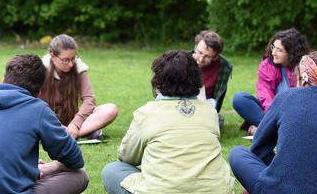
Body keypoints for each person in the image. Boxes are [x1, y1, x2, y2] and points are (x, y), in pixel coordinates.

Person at [101, 50, 235, 194]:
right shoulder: (210, 112)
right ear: (196, 80)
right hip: (216, 190)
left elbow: (127, 157)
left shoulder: (147, 113)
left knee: (112, 170)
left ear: (158, 82)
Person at [229, 50, 317, 194]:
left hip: (275, 190)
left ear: (302, 79)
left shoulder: (285, 97)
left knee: (237, 153)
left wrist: (279, 165)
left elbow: (259, 147)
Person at [0, 54, 88, 194]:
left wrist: (24, 164)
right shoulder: (38, 109)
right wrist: (51, 167)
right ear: (38, 93)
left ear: (3, 81)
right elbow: (74, 159)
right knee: (80, 176)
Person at [232, 28, 310, 135]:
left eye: (279, 50)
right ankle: (276, 130)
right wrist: (274, 118)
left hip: (295, 113)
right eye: (273, 47)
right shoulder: (267, 66)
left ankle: (264, 130)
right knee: (240, 99)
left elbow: (307, 100)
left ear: (292, 52)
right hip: (272, 112)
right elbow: (266, 97)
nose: (273, 53)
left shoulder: (304, 68)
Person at [39, 34, 118, 139]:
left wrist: (75, 124)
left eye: (73, 59)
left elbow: (89, 99)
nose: (71, 64)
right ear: (52, 56)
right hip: (46, 120)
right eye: (65, 60)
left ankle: (67, 134)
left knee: (110, 109)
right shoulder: (40, 69)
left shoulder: (78, 66)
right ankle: (74, 132)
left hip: (71, 120)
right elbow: (32, 103)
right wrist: (54, 124)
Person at [192, 30, 233, 127]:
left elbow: (217, 100)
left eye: (207, 56)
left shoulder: (224, 67)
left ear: (216, 56)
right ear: (195, 46)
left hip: (205, 109)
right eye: (199, 52)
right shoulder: (181, 60)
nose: (201, 59)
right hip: (180, 106)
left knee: (218, 120)